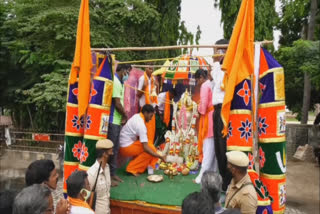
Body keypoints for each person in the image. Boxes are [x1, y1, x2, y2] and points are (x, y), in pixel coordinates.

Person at [119, 104, 166, 176]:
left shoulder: (137, 116)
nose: (151, 119)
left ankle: (143, 166)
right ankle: (132, 168)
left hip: (124, 144)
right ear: (146, 113)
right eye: (151, 116)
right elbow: (146, 148)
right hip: (126, 148)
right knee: (151, 149)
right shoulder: (141, 125)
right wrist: (159, 156)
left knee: (149, 145)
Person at [211, 39, 232, 192]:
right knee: (218, 146)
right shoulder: (218, 67)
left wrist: (218, 61)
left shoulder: (228, 66)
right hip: (216, 110)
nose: (215, 53)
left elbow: (220, 82)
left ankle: (227, 181)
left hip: (224, 110)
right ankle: (223, 179)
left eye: (218, 50)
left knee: (224, 146)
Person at [108, 63, 131, 186]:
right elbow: (117, 103)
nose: (127, 75)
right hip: (112, 121)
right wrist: (125, 115)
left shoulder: (120, 82)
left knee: (115, 149)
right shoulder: (116, 82)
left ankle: (112, 174)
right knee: (110, 150)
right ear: (122, 71)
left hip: (117, 121)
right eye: (127, 72)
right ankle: (108, 177)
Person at [194, 69, 217, 184]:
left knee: (208, 149)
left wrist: (197, 109)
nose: (197, 82)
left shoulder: (204, 86)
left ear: (201, 78)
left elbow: (203, 107)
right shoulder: (213, 84)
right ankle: (211, 176)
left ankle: (201, 177)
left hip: (208, 118)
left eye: (197, 80)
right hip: (214, 116)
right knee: (213, 150)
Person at [87, 139, 113, 214]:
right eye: (111, 152)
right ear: (104, 154)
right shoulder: (92, 173)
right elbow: (86, 198)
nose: (113, 154)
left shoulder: (107, 168)